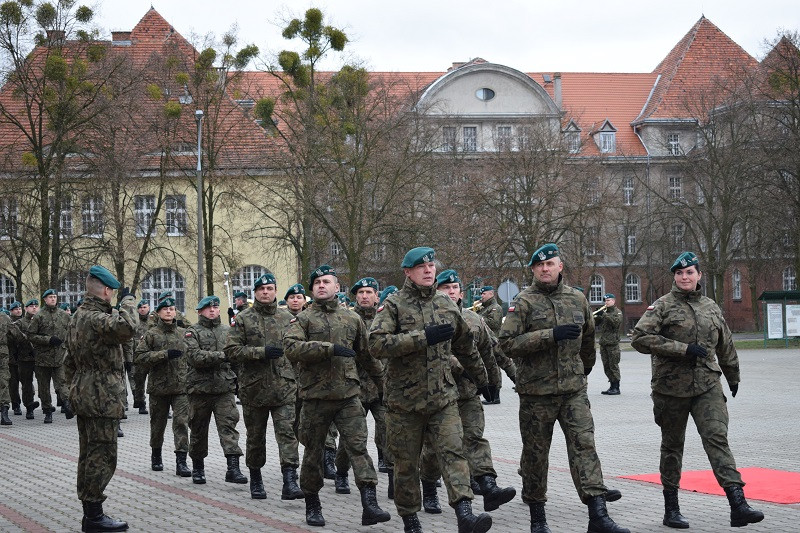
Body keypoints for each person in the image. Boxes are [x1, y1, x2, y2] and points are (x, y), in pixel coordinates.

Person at [498, 243, 628, 533]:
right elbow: (506, 344)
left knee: (585, 448)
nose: (545, 269)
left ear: (560, 267)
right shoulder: (523, 302)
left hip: (572, 391)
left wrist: (583, 371)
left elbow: (588, 342)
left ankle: (599, 515)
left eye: (551, 263)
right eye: (540, 265)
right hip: (536, 394)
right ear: (533, 269)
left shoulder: (577, 299)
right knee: (535, 455)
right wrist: (549, 335)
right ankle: (538, 518)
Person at [631, 252, 764, 529]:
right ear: (674, 277)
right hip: (671, 389)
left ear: (699, 275)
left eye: (689, 272)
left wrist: (733, 375)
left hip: (707, 385)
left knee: (717, 439)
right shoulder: (662, 306)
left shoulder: (711, 307)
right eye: (679, 273)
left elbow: (725, 343)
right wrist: (681, 349)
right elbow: (640, 338)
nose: (684, 277)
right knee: (672, 447)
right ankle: (671, 509)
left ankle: (738, 504)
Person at [369, 247, 494, 533]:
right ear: (408, 272)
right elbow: (376, 344)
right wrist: (422, 337)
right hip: (404, 403)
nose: (428, 270)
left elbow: (466, 347)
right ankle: (411, 522)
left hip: (443, 399)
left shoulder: (446, 305)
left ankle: (465, 514)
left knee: (453, 453)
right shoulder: (393, 305)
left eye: (431, 266)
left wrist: (483, 379)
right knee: (406, 466)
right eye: (421, 266)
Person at [284, 265, 390, 528]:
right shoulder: (303, 320)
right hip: (315, 398)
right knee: (313, 452)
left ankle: (370, 503)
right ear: (312, 289)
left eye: (327, 281)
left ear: (336, 287)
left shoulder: (351, 319)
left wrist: (384, 385)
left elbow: (367, 357)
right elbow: (292, 348)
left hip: (348, 397)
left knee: (358, 448)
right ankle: (313, 504)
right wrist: (328, 349)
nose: (322, 285)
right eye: (317, 282)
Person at [418, 269, 516, 515]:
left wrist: (501, 381)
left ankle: (488, 485)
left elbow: (493, 351)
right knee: (433, 448)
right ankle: (429, 488)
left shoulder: (474, 320)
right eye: (445, 288)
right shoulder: (427, 318)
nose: (450, 292)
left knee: (474, 438)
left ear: (461, 293)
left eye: (454, 288)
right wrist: (462, 367)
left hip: (467, 393)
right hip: (437, 395)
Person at [64, 266, 137, 532]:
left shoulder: (77, 316)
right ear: (106, 290)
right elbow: (127, 327)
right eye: (113, 292)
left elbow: (68, 361)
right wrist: (128, 302)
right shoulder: (95, 318)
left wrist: (74, 391)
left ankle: (91, 513)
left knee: (89, 454)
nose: (115, 297)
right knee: (102, 456)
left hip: (86, 394)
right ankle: (94, 516)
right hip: (101, 397)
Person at [224, 272, 304, 501]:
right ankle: (256, 478)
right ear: (255, 293)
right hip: (254, 388)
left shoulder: (288, 318)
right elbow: (231, 351)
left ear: (276, 291)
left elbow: (298, 349)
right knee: (255, 437)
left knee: (288, 435)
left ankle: (290, 480)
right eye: (261, 289)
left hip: (284, 387)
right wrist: (260, 353)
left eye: (270, 288)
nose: (266, 292)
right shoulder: (244, 319)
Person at [331, 277, 389, 493]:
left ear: (376, 295)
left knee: (388, 429)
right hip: (354, 388)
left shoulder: (385, 319)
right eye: (361, 292)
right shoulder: (347, 319)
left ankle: (391, 472)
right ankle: (341, 473)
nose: (365, 296)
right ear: (356, 296)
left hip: (380, 386)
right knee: (351, 436)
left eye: (369, 292)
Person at [183, 295, 246, 486]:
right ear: (200, 311)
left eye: (216, 307)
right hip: (200, 390)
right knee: (198, 430)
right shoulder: (192, 332)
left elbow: (236, 358)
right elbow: (195, 357)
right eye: (208, 308)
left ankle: (233, 468)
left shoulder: (228, 331)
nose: (212, 310)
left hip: (224, 389)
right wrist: (222, 356)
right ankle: (198, 468)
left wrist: (239, 384)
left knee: (229, 428)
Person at [134, 297, 190, 477]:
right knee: (157, 425)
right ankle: (156, 455)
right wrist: (163, 355)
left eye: (172, 309)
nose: (168, 311)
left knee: (181, 423)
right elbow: (140, 357)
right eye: (165, 309)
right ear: (158, 313)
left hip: (181, 387)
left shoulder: (183, 333)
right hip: (158, 387)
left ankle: (181, 461)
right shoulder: (152, 334)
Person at [27, 289, 73, 422]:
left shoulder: (63, 315)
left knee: (63, 383)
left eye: (54, 297)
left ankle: (67, 404)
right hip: (43, 358)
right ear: (45, 300)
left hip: (60, 356)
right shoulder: (39, 316)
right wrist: (48, 340)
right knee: (44, 386)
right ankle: (47, 411)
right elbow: (30, 335)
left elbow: (71, 332)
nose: (53, 299)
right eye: (50, 297)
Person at [0, 305, 26, 425]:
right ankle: (4, 414)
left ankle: (4, 413)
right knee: (4, 382)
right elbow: (17, 335)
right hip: (3, 355)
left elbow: (16, 334)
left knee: (4, 382)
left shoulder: (4, 317)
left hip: (3, 356)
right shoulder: (4, 318)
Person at [15, 299, 41, 419]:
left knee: (43, 382)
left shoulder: (42, 321)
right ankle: (29, 406)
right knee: (26, 384)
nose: (34, 308)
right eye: (31, 306)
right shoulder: (20, 323)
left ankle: (47, 404)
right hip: (24, 358)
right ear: (26, 309)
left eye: (36, 306)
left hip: (40, 357)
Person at [594, 293, 623, 395]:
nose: (606, 302)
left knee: (613, 365)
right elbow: (596, 324)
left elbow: (616, 323)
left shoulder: (617, 312)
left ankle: (616, 387)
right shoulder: (605, 312)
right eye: (605, 301)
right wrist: (597, 316)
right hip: (604, 343)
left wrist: (605, 315)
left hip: (613, 343)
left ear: (614, 301)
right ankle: (611, 386)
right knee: (606, 366)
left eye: (609, 300)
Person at [131, 300, 151, 415]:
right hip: (138, 357)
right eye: (140, 307)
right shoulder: (134, 321)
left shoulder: (153, 321)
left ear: (148, 308)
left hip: (150, 356)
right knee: (139, 382)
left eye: (144, 307)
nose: (142, 309)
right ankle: (141, 404)